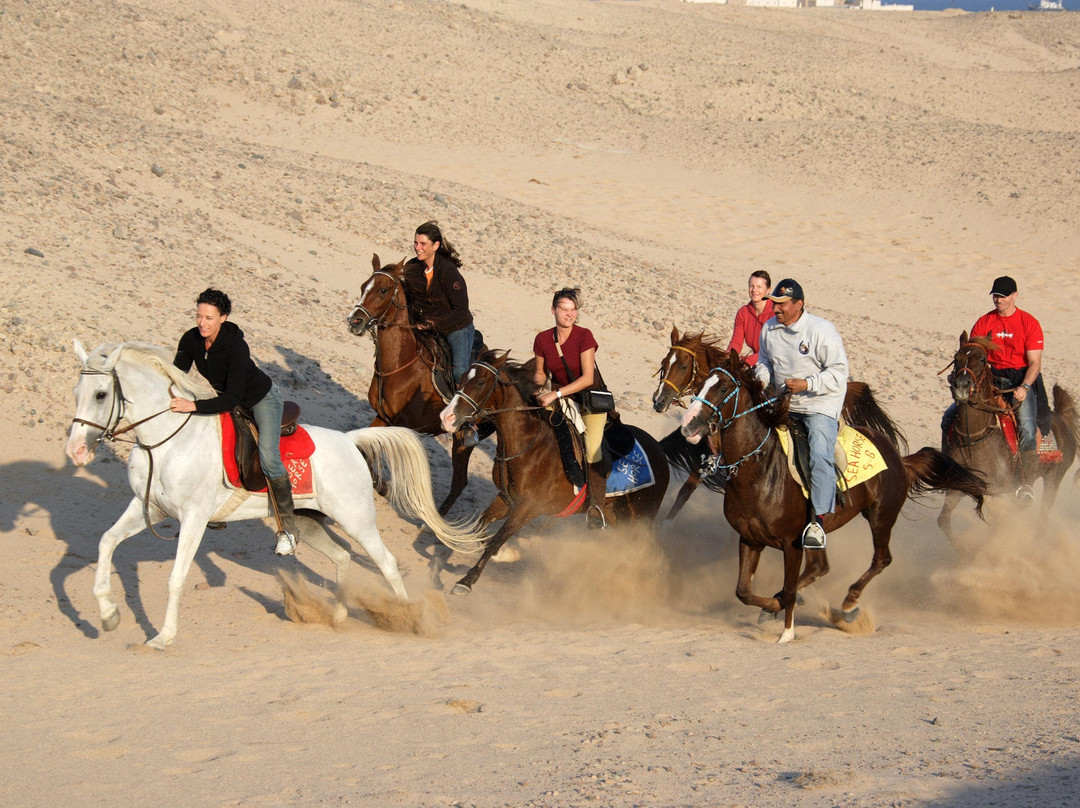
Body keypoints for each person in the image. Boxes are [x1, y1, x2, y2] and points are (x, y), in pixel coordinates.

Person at [171, 288, 299, 556]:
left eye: (209, 318)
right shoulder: (191, 339)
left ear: (223, 317)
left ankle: (288, 530)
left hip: (260, 399)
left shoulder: (236, 346)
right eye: (199, 316)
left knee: (268, 457)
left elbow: (231, 399)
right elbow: (177, 376)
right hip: (225, 397)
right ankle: (212, 510)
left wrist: (193, 405)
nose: (202, 323)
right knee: (211, 445)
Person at [754, 279, 849, 550]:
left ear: (799, 304)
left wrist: (807, 384)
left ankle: (818, 522)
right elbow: (764, 362)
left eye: (782, 304)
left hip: (818, 406)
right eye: (774, 303)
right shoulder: (769, 329)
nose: (776, 309)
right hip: (783, 403)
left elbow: (839, 374)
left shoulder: (821, 330)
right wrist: (761, 379)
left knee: (819, 454)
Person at [532, 287, 608, 529]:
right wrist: (536, 389)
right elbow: (539, 372)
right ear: (553, 310)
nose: (569, 314)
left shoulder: (584, 336)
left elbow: (587, 378)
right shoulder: (543, 339)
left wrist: (554, 393)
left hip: (588, 401)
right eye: (564, 309)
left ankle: (596, 507)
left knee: (592, 449)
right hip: (560, 398)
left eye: (573, 309)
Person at [970, 275, 1043, 499]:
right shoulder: (984, 322)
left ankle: (1025, 485)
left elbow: (1035, 363)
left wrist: (1025, 387)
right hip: (991, 378)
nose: (998, 300)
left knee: (1028, 430)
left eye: (1002, 296)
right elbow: (974, 353)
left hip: (1019, 379)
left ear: (1014, 296)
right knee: (955, 415)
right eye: (995, 296)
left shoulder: (1028, 323)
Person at [403, 221, 474, 385]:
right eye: (415, 243)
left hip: (455, 328)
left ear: (435, 245)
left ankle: (462, 409)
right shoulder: (411, 268)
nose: (417, 247)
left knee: (459, 372)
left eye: (422, 244)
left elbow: (461, 311)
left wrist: (432, 324)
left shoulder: (448, 272)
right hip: (423, 325)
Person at [727, 270, 774, 366]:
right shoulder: (743, 312)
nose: (754, 290)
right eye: (751, 286)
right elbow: (736, 342)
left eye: (759, 287)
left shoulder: (775, 314)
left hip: (774, 362)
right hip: (756, 362)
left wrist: (745, 361)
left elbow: (771, 350)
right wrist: (729, 358)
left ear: (768, 290)